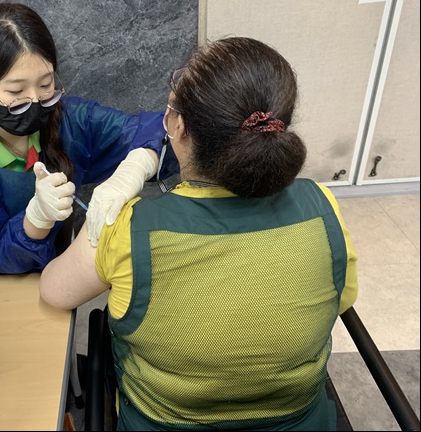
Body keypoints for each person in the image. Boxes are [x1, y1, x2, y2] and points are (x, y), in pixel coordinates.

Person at [40, 37, 358, 431]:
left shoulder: (129, 230)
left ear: (177, 126)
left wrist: (41, 218)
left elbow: (54, 291)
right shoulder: (323, 208)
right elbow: (339, 301)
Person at [0, 2, 177, 276]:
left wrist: (138, 164)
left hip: (44, 273)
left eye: (46, 85)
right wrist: (36, 218)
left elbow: (168, 130)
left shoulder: (70, 121)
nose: (35, 101)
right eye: (16, 91)